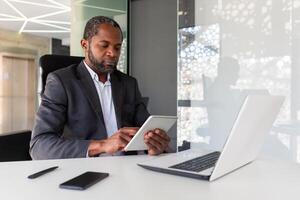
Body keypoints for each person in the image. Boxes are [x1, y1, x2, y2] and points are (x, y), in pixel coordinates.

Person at [30, 16, 170, 159]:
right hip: (84, 172)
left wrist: (153, 144)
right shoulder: (61, 82)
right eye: (104, 45)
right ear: (85, 45)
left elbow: (145, 131)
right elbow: (39, 146)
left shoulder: (129, 84)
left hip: (128, 169)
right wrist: (102, 145)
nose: (113, 53)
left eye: (117, 47)